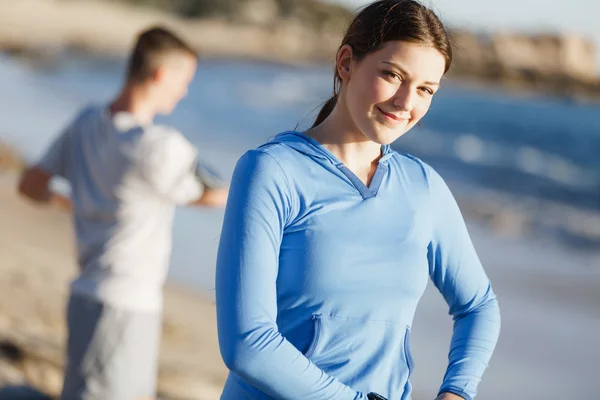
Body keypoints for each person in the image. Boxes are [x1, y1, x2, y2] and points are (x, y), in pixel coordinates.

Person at [215, 1, 501, 399]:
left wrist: (457, 391)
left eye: (425, 89)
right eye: (392, 75)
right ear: (346, 63)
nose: (406, 102)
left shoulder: (424, 188)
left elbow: (479, 307)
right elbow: (247, 343)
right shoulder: (272, 170)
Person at [17, 26, 228, 400]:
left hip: (84, 291)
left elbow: (30, 185)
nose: (184, 91)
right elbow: (212, 194)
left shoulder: (85, 123)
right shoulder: (159, 146)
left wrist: (69, 201)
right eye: (184, 80)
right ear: (162, 75)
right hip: (128, 301)